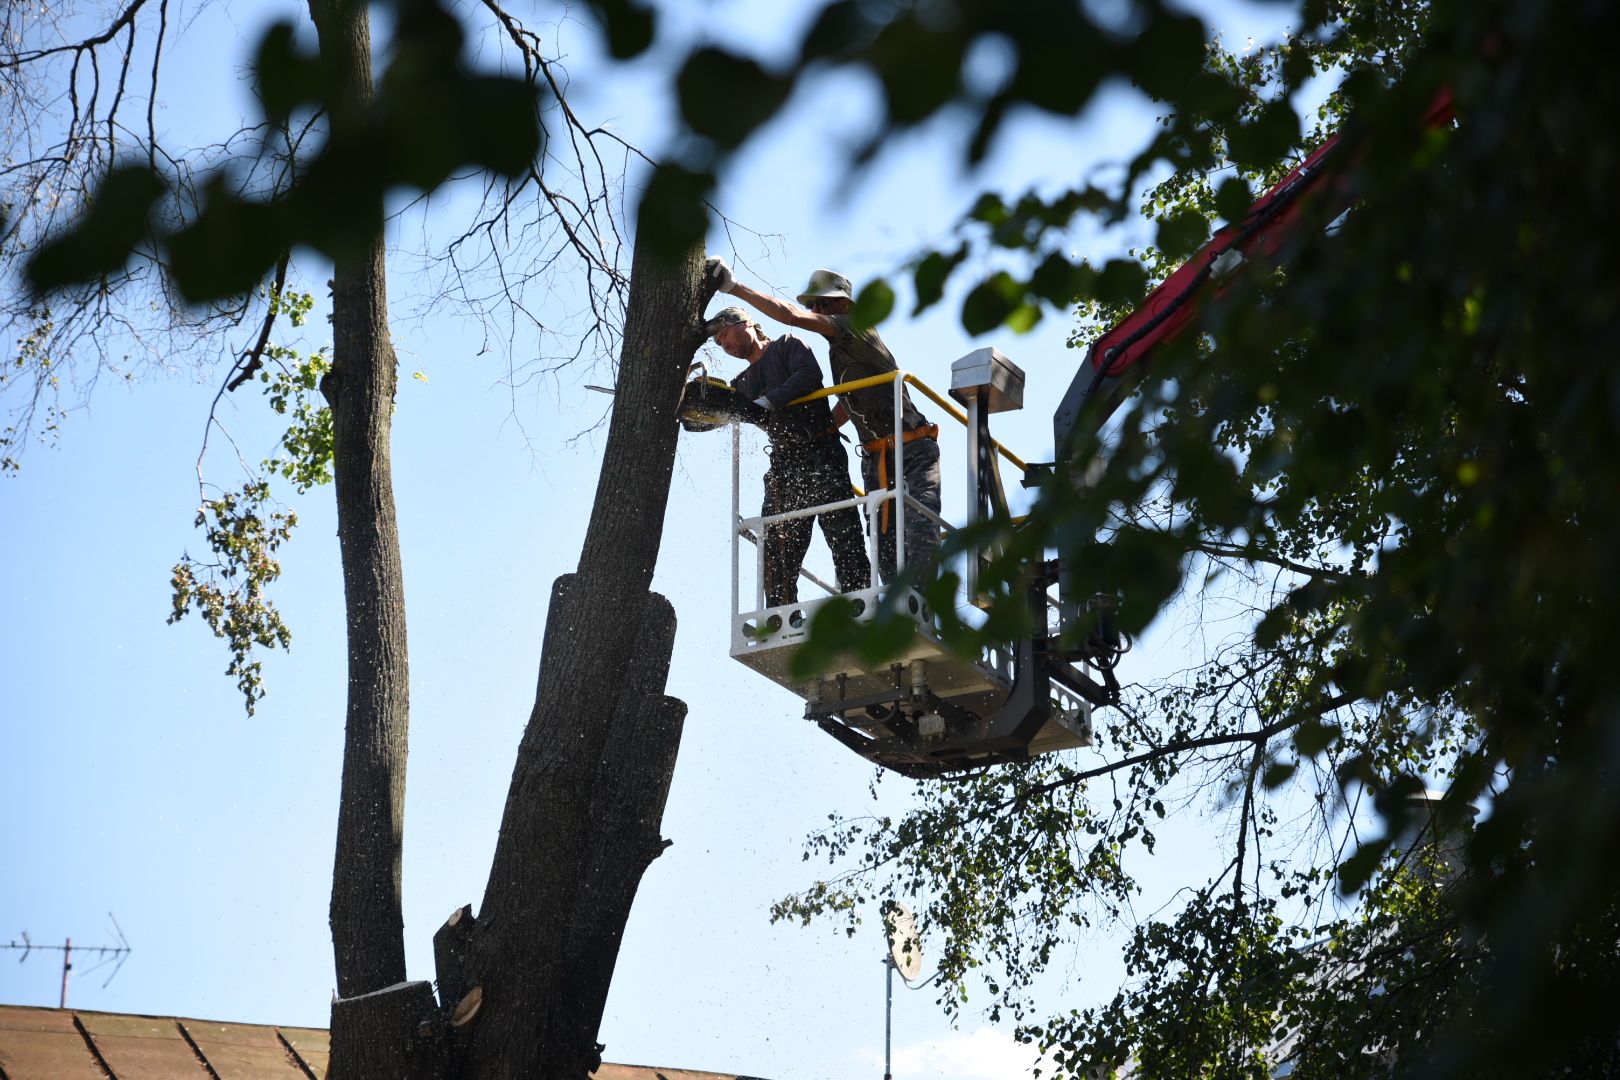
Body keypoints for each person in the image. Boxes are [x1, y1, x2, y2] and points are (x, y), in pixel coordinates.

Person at [706, 260, 941, 583]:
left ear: (843, 303)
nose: (817, 309)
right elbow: (850, 399)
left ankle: (922, 607)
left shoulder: (853, 326)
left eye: (823, 303)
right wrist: (823, 430)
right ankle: (893, 613)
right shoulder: (837, 352)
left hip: (912, 449)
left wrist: (735, 287)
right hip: (874, 457)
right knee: (884, 544)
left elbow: (790, 316)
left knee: (918, 532)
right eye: (813, 304)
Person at [709, 306, 871, 607]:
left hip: (822, 454)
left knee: (844, 536)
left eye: (725, 335)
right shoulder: (741, 385)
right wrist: (694, 405)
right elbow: (715, 417)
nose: (725, 345)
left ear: (745, 324)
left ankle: (859, 604)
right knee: (777, 545)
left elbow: (810, 375)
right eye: (718, 342)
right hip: (785, 463)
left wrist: (767, 403)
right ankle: (781, 615)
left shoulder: (786, 346)